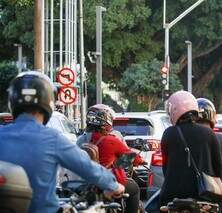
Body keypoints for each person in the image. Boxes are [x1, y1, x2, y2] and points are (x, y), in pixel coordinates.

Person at [0, 71, 124, 213]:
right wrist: (114, 185)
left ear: (12, 101)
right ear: (49, 102)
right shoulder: (52, 138)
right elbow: (87, 167)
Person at [160, 91, 222, 211]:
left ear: (173, 111)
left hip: (172, 194)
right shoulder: (209, 133)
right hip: (204, 194)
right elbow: (218, 169)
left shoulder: (168, 133)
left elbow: (165, 167)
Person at [77, 104, 144, 213]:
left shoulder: (81, 140)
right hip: (105, 181)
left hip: (86, 183)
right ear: (105, 124)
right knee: (135, 188)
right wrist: (140, 160)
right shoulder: (111, 140)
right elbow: (133, 158)